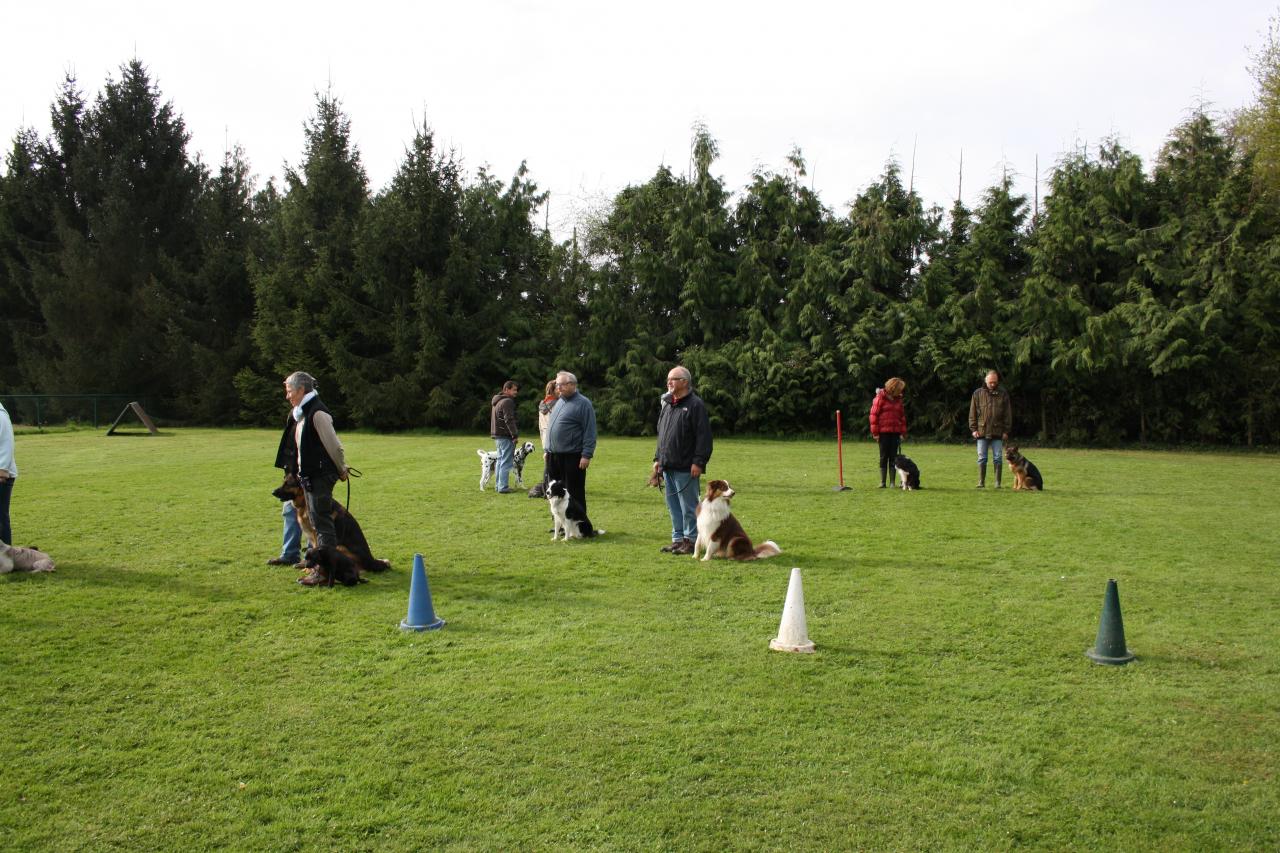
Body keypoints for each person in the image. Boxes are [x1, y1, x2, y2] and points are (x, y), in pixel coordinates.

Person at [275, 372, 349, 562]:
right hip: (310, 475)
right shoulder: (301, 413)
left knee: (321, 523)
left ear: (301, 390)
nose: (287, 395)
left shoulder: (317, 413)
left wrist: (342, 469)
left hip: (320, 475)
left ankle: (326, 568)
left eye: (289, 391)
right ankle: (317, 564)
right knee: (316, 520)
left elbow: (334, 445)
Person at [652, 366, 712, 555]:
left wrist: (699, 462)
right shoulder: (668, 404)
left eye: (673, 379)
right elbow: (662, 434)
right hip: (667, 464)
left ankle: (691, 540)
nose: (669, 382)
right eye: (668, 379)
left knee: (688, 507)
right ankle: (677, 539)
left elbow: (704, 437)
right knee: (673, 507)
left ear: (685, 382)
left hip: (686, 466)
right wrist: (657, 459)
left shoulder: (695, 405)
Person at [544, 371, 598, 535]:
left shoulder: (583, 404)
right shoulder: (560, 401)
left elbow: (590, 431)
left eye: (561, 384)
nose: (557, 387)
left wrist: (586, 454)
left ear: (572, 385)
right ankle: (560, 526)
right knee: (554, 491)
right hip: (554, 455)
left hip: (573, 456)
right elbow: (551, 427)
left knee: (574, 493)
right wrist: (547, 448)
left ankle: (581, 528)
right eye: (557, 384)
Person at [267, 409, 304, 567]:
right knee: (289, 511)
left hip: (307, 474)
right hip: (292, 471)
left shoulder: (312, 412)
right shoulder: (294, 413)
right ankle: (289, 554)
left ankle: (312, 555)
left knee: (312, 516)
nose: (288, 395)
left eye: (290, 391)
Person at [969, 369, 1012, 488]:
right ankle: (981, 482)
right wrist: (973, 429)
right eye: (991, 382)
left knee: (998, 458)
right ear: (985, 380)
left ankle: (997, 483)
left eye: (995, 382)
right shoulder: (977, 393)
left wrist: (1006, 431)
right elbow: (972, 414)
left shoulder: (1003, 394)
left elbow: (1007, 414)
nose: (993, 384)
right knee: (982, 457)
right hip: (981, 431)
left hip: (998, 431)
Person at [869, 377, 907, 488]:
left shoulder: (899, 400)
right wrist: (875, 433)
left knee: (893, 457)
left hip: (895, 433)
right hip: (883, 433)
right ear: (893, 388)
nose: (901, 391)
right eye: (899, 389)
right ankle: (882, 482)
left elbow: (902, 417)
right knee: (883, 457)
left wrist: (902, 433)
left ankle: (892, 483)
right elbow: (873, 416)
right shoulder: (880, 398)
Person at [490, 380, 520, 494]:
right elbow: (509, 419)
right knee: (506, 462)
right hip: (505, 436)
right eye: (514, 390)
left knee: (500, 461)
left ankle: (499, 486)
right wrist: (514, 435)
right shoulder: (507, 401)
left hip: (497, 436)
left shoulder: (497, 401)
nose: (516, 392)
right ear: (506, 389)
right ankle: (503, 487)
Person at [0, 401, 16, 545]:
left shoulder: (1, 416)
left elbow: (7, 443)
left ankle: (4, 556)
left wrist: (2, 470)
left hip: (2, 476)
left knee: (0, 517)